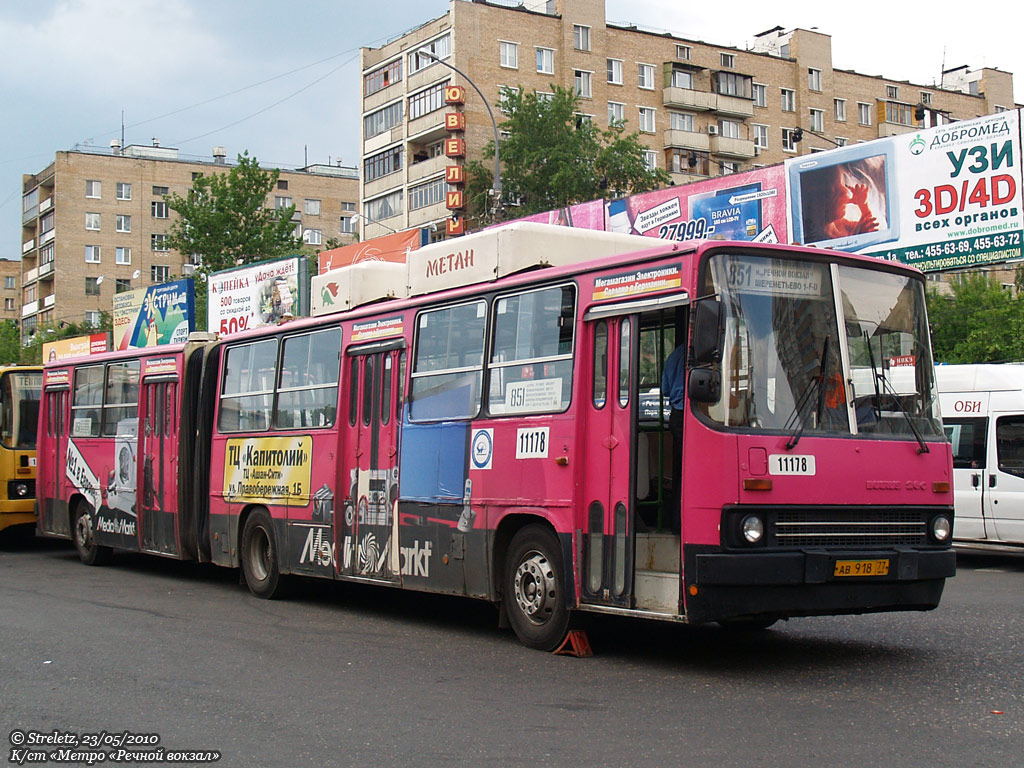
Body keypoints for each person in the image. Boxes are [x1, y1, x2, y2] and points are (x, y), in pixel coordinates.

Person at [661, 343, 686, 533]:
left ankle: (676, 522)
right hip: (694, 413)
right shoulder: (701, 355)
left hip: (676, 415)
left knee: (679, 471)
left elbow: (665, 390)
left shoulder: (673, 356)